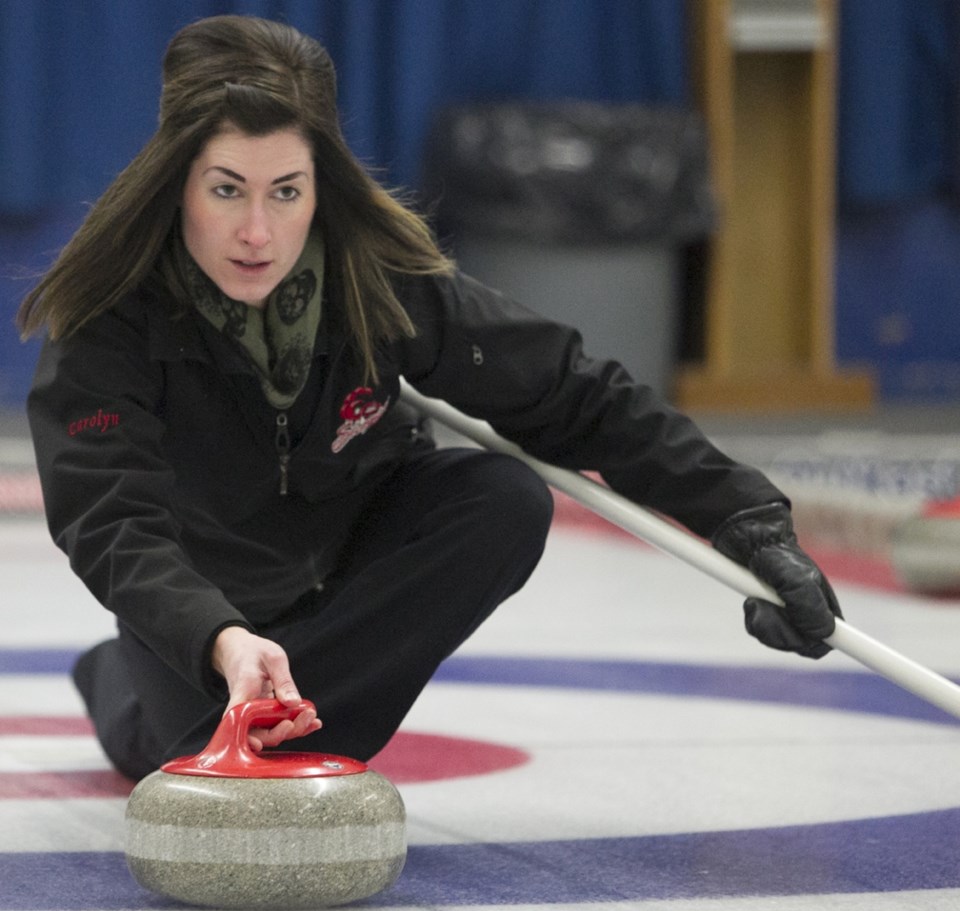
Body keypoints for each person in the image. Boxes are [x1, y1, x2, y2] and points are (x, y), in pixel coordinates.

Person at [17, 15, 842, 782]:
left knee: (504, 499)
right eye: (227, 189)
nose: (259, 233)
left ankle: (241, 734)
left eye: (288, 191)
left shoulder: (377, 281)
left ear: (322, 181)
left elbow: (571, 391)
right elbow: (110, 515)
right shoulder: (107, 315)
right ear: (175, 183)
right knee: (167, 752)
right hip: (206, 607)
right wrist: (218, 639)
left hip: (352, 583)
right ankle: (135, 684)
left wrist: (746, 521)